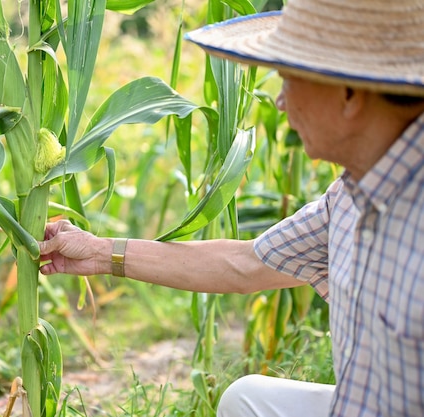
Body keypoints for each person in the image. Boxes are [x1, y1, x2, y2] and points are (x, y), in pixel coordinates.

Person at [38, 0, 424, 416]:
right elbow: (243, 264)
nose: (279, 101)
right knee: (246, 399)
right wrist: (96, 251)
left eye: (290, 79)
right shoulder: (349, 197)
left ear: (349, 93)